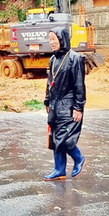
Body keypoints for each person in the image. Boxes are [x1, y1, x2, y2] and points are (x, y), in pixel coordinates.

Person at [43, 27, 87, 181]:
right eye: (50, 40)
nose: (52, 42)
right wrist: (47, 100)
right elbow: (49, 82)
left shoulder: (75, 58)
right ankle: (59, 170)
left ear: (62, 39)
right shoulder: (53, 59)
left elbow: (79, 85)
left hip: (69, 105)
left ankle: (79, 158)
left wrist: (78, 107)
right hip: (55, 105)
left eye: (54, 39)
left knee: (63, 137)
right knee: (55, 137)